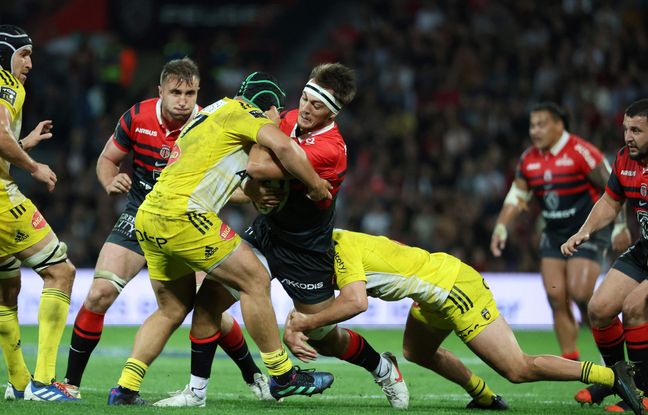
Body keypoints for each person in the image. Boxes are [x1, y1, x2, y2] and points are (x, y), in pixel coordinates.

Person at [158, 63, 410, 410]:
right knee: (210, 300)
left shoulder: (331, 150)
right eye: (304, 98)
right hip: (267, 232)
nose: (305, 109)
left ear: (332, 112)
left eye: (316, 105)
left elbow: (259, 167)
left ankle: (382, 368)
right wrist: (254, 192)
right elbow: (247, 171)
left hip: (305, 246)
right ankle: (196, 392)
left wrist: (257, 173)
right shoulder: (286, 118)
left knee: (324, 339)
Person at [107, 71, 334, 405]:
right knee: (255, 278)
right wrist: (315, 184)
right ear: (267, 106)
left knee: (172, 309)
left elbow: (215, 180)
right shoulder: (247, 113)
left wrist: (254, 195)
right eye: (276, 113)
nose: (278, 120)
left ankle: (125, 389)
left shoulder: (208, 114)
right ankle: (283, 375)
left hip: (150, 215)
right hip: (182, 216)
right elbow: (283, 145)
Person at [60, 57, 271, 401]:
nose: (183, 100)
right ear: (160, 91)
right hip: (138, 215)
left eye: (190, 92)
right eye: (176, 92)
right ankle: (69, 384)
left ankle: (252, 375)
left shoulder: (209, 124)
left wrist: (250, 196)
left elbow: (229, 184)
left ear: (198, 92)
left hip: (187, 221)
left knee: (207, 307)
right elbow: (106, 159)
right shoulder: (136, 117)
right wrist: (110, 180)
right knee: (99, 293)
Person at [284, 229, 643, 414]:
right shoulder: (329, 245)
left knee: (518, 369)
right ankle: (484, 398)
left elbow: (355, 302)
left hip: (455, 288)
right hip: (433, 293)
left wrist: (300, 323)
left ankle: (612, 376)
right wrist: (298, 318)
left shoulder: (339, 249)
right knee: (416, 352)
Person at [490, 102, 631, 361]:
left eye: (541, 124)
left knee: (580, 294)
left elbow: (615, 187)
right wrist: (501, 226)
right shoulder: (529, 158)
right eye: (532, 125)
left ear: (559, 125)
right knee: (556, 296)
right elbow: (517, 196)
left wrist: (619, 226)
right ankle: (571, 362)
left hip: (587, 231)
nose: (535, 131)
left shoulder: (581, 152)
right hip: (553, 233)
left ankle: (613, 358)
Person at [0, 25, 78, 402]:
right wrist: (33, 165)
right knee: (61, 272)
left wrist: (22, 142)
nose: (30, 62)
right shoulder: (5, 84)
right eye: (24, 54)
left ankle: (17, 383)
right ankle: (44, 383)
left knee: (6, 290)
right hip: (1, 200)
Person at [562, 98, 648, 412]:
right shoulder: (625, 158)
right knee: (599, 309)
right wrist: (584, 231)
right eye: (626, 129)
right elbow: (611, 202)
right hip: (645, 252)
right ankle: (616, 381)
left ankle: (644, 391)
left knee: (635, 306)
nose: (628, 137)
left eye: (637, 130)